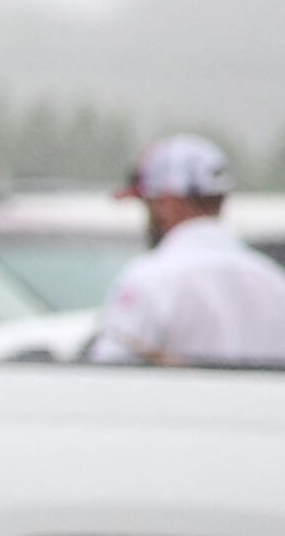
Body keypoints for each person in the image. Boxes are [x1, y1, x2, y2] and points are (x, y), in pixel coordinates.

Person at [91, 134, 285, 367]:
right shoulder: (274, 281)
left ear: (170, 203)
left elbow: (108, 371)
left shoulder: (150, 278)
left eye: (150, 204)